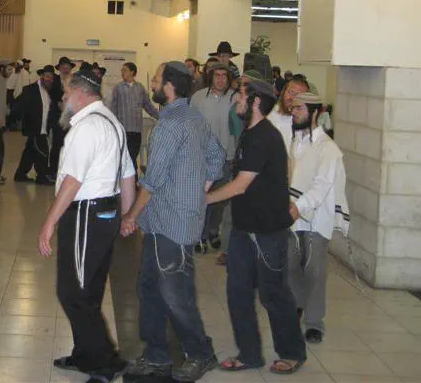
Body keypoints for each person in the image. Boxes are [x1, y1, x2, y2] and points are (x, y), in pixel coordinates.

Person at [121, 62, 224, 382]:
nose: (152, 83)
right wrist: (199, 189)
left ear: (168, 86)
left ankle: (201, 354)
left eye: (155, 79)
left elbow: (152, 181)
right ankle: (156, 355)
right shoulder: (193, 117)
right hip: (161, 220)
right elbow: (217, 158)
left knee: (176, 294)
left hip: (173, 224)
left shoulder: (171, 125)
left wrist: (130, 216)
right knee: (149, 287)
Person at [38, 70, 136, 383]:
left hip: (85, 215)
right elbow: (128, 174)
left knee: (72, 292)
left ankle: (106, 362)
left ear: (81, 94)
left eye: (67, 93)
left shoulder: (87, 127)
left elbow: (72, 182)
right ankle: (85, 354)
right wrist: (126, 214)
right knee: (88, 290)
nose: (63, 99)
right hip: (104, 213)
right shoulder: (112, 122)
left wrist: (49, 223)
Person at [205, 77, 307, 376]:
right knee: (237, 292)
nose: (236, 100)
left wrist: (203, 200)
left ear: (256, 102)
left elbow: (240, 185)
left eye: (241, 96)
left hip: (267, 232)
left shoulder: (264, 136)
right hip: (243, 229)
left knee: (273, 294)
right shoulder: (250, 134)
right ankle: (249, 354)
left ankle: (292, 353)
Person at [288, 92, 349, 345]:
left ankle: (314, 323)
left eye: (299, 109)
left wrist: (298, 206)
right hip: (293, 216)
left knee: (314, 270)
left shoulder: (329, 149)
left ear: (314, 113)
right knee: (291, 264)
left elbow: (322, 185)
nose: (294, 112)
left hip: (316, 217)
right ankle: (296, 305)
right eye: (293, 108)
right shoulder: (295, 141)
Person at [190, 62, 237, 254]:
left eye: (224, 76)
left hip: (227, 157)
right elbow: (190, 126)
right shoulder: (198, 98)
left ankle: (212, 231)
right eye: (217, 75)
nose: (220, 79)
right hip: (203, 158)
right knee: (202, 198)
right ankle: (199, 235)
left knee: (219, 200)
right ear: (211, 77)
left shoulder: (235, 99)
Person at [110, 61, 159, 173]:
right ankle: (133, 177)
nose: (122, 72)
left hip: (136, 129)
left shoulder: (140, 88)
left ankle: (132, 177)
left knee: (133, 155)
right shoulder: (118, 88)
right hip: (123, 129)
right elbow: (113, 107)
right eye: (122, 70)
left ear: (132, 72)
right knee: (127, 156)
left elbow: (148, 105)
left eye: (125, 70)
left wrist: (161, 117)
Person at [14, 66, 58, 185]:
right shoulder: (30, 89)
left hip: (43, 128)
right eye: (47, 76)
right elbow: (18, 104)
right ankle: (42, 177)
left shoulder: (49, 91)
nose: (49, 79)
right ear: (41, 76)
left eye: (51, 77)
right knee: (42, 151)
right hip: (34, 128)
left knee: (30, 151)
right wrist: (18, 119)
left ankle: (20, 174)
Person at [268, 75, 310, 153]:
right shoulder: (268, 114)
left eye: (298, 95)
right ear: (283, 91)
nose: (292, 98)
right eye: (290, 92)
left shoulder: (302, 126)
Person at [49, 57, 75, 177]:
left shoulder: (74, 81)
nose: (66, 69)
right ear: (59, 68)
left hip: (71, 117)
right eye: (63, 67)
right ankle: (53, 170)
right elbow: (51, 95)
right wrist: (59, 101)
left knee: (70, 144)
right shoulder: (54, 80)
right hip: (57, 117)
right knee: (57, 144)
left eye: (67, 67)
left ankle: (67, 171)